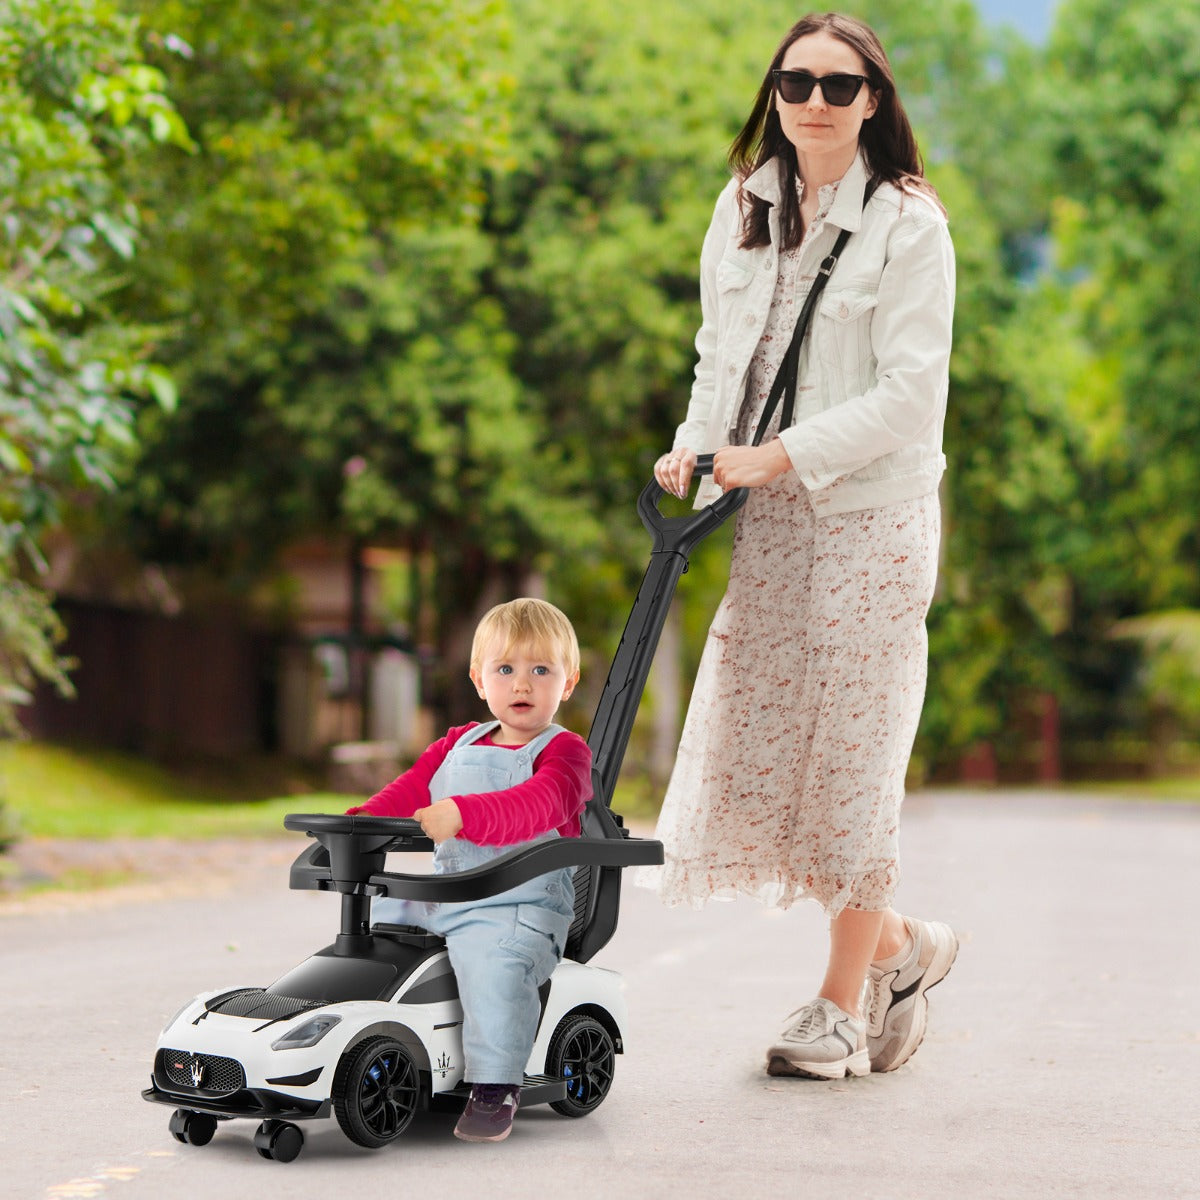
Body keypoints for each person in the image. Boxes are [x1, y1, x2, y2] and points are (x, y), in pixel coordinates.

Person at [638, 12, 958, 1081]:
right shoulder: (741, 207)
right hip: (766, 518)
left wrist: (778, 454)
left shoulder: (909, 225)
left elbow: (910, 396)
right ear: (773, 95)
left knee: (856, 752)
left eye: (839, 84)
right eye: (795, 83)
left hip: (874, 517)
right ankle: (903, 949)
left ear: (874, 101)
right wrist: (694, 448)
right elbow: (717, 353)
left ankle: (837, 1007)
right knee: (773, 753)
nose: (815, 102)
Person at [347, 598, 591, 1141]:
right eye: (505, 669)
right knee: (375, 928)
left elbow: (537, 805)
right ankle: (368, 1043)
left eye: (541, 670)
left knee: (495, 968)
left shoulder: (566, 754)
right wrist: (359, 825)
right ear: (479, 680)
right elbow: (409, 791)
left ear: (568, 682)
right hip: (449, 895)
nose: (521, 683)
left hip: (520, 907)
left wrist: (464, 813)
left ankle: (495, 1086)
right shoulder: (456, 743)